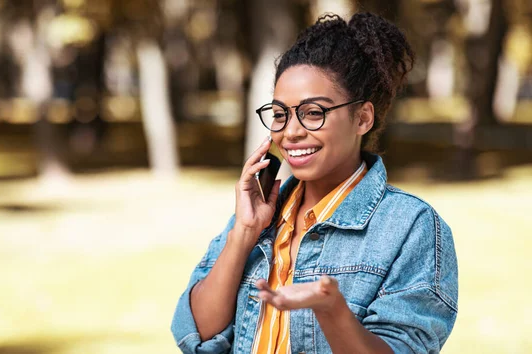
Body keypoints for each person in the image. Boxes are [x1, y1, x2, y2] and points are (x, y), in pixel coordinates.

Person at [171, 12, 458, 354]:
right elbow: (197, 336)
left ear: (362, 118)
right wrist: (244, 234)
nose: (290, 132)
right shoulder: (258, 217)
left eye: (312, 113)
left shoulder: (410, 227)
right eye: (280, 114)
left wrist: (330, 310)